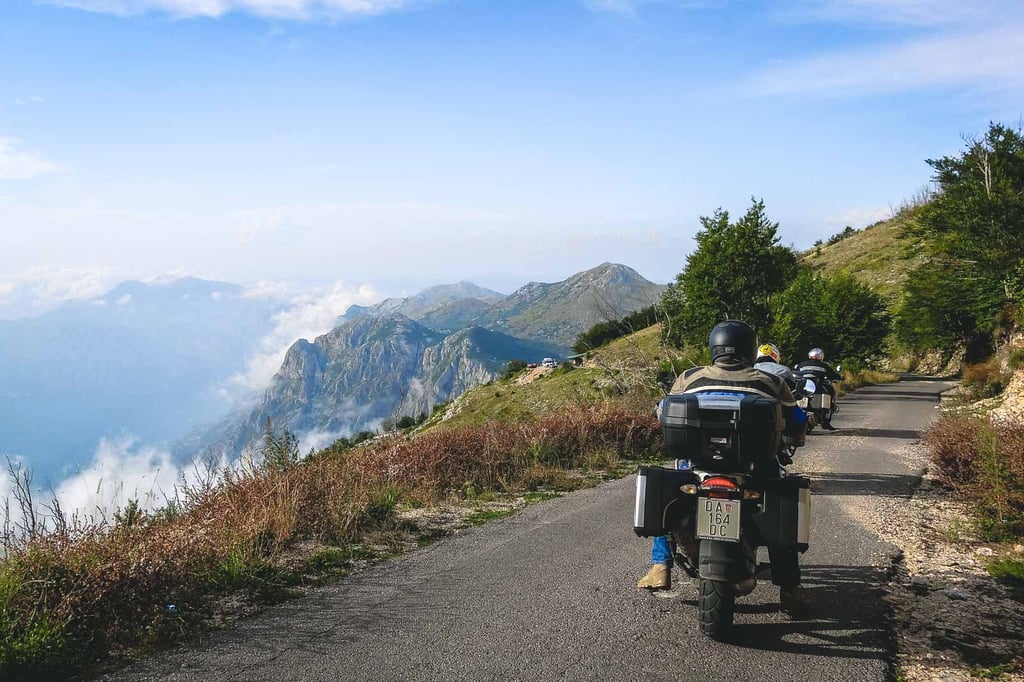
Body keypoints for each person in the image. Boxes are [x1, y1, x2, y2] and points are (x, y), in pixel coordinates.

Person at [638, 321, 807, 615]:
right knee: (781, 505)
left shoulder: (689, 377)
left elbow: (662, 410)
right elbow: (796, 421)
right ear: (751, 350)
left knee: (668, 498)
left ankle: (660, 565)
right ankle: (790, 588)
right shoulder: (770, 381)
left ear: (714, 348)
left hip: (696, 463)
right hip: (755, 465)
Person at [794, 348, 842, 430]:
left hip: (803, 388)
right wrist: (839, 377)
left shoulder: (802, 364)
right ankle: (826, 421)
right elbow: (832, 375)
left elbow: (796, 372)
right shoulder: (823, 366)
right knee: (830, 393)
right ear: (821, 356)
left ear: (810, 355)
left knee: (794, 397)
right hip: (818, 388)